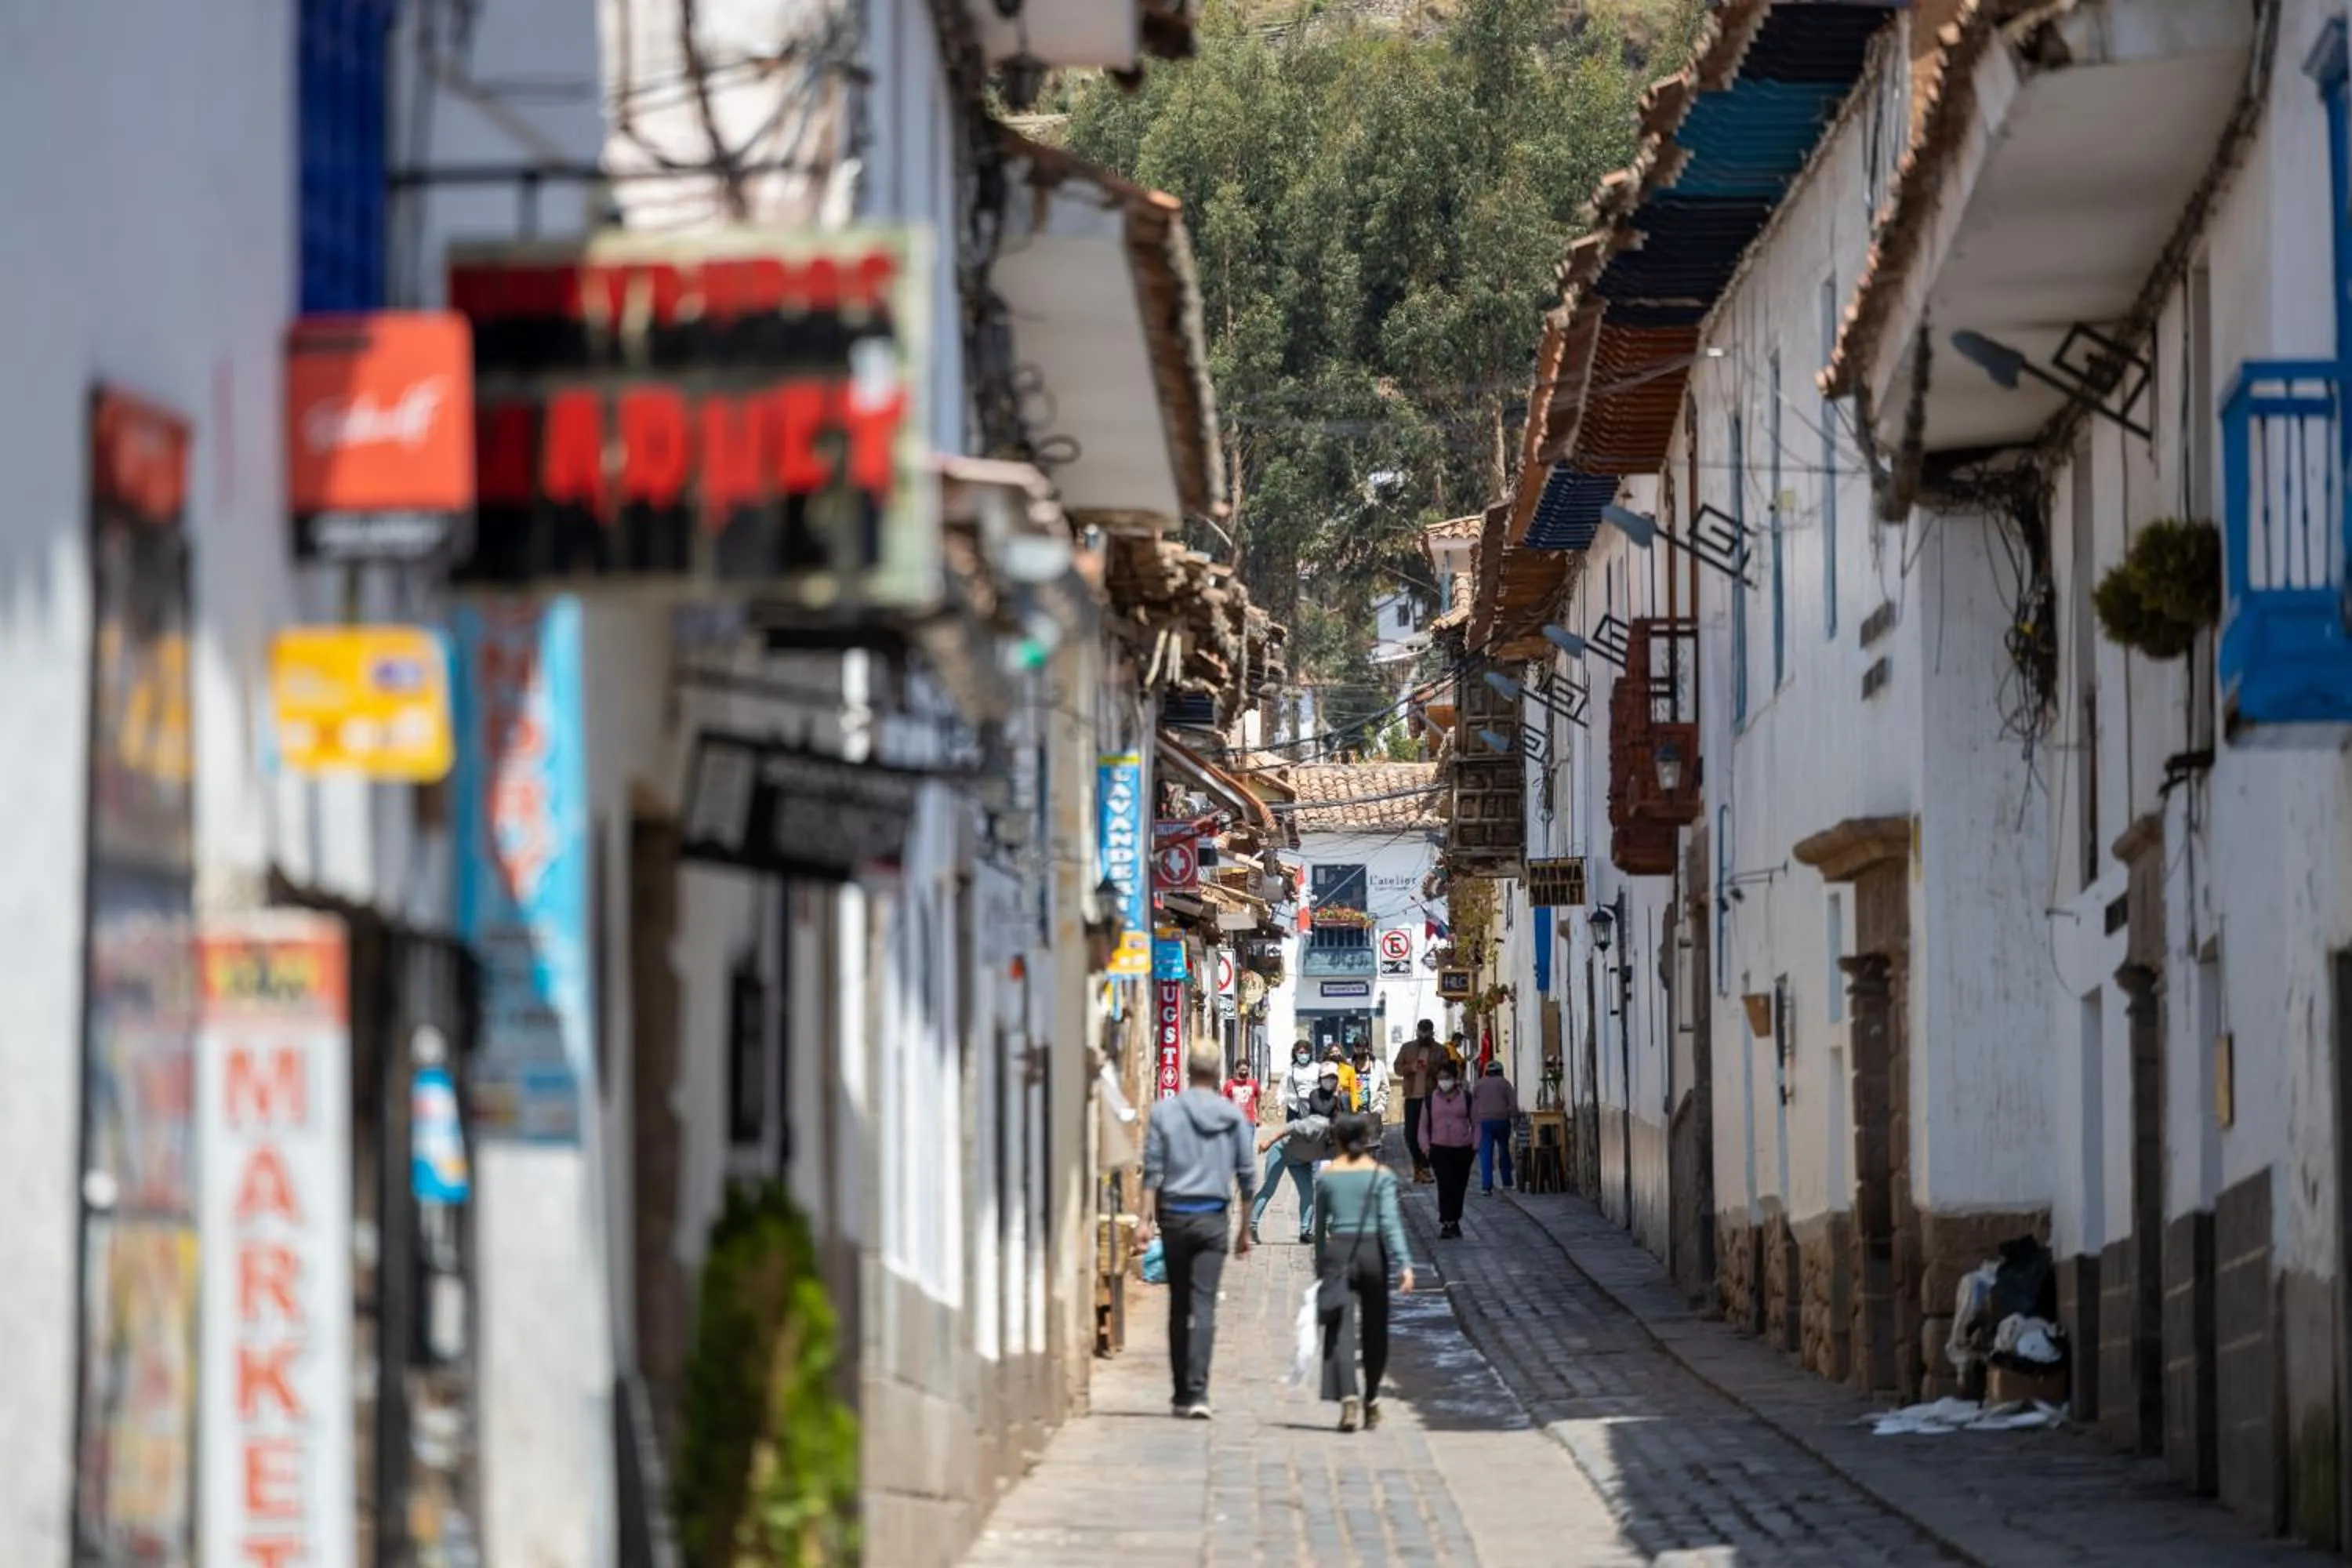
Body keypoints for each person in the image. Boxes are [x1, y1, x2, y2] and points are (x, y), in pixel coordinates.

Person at [1140, 1046, 1256, 1418]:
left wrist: (1144, 1220)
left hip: (1174, 1217)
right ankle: (1199, 1392)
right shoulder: (1231, 1116)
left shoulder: (1165, 1112)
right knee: (1204, 1304)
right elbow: (1247, 1176)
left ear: (1189, 1070)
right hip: (1212, 1219)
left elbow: (1152, 1169)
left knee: (1179, 1304)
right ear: (1218, 1071)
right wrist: (1245, 1229)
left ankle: (1180, 1393)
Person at [1312, 1112, 1414, 1432]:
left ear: (1338, 1142)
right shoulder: (1381, 1176)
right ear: (1368, 1141)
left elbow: (1319, 1228)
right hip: (1372, 1253)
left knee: (1340, 1330)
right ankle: (1371, 1398)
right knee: (1375, 1329)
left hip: (1338, 1253)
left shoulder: (1327, 1177)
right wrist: (1404, 1263)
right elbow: (1390, 1223)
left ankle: (1348, 1398)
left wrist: (1321, 1266)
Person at [1250, 1063, 1343, 1243]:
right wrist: (1268, 1142)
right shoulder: (1318, 1124)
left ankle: (1305, 1232)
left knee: (1308, 1193)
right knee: (1269, 1189)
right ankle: (1251, 1225)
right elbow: (1291, 1126)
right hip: (1282, 1152)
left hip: (1300, 1161)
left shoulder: (1332, 1144)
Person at [1423, 1062, 1477, 1238]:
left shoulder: (1466, 1098)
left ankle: (1455, 1220)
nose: (1443, 1082)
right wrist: (1426, 1149)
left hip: (1462, 1149)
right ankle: (1447, 1222)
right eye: (1440, 1078)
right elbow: (1423, 1127)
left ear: (1455, 1079)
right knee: (1445, 1185)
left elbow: (1476, 1123)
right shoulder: (1431, 1100)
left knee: (1458, 1187)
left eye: (1447, 1078)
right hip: (1439, 1149)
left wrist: (1475, 1145)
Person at [1392, 1020, 1444, 1183]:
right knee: (1410, 1135)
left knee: (1428, 1134)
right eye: (1421, 1032)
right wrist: (1411, 1067)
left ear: (1432, 1033)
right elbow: (1397, 1068)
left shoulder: (1440, 1050)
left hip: (1431, 1097)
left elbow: (1446, 1071)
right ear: (1417, 1032)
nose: (1424, 1036)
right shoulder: (1407, 1048)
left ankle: (1425, 1168)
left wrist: (1431, 1069)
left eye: (1427, 1033)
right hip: (1411, 1097)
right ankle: (1418, 1166)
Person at [1473, 1058, 1520, 1195]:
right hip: (1502, 1121)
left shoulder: (1479, 1084)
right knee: (1504, 1150)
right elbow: (1513, 1104)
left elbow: (1473, 1104)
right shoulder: (1505, 1083)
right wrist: (1515, 1116)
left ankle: (1486, 1186)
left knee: (1485, 1153)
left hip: (1484, 1122)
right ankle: (1507, 1181)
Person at [1351, 1040, 1392, 1127]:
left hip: (1373, 1113)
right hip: (1354, 1115)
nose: (1361, 1051)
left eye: (1363, 1048)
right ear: (1354, 1048)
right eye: (1358, 1048)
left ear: (1367, 1048)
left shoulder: (1378, 1065)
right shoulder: (1349, 1066)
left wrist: (1380, 1107)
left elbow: (1385, 1089)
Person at [1279, 1038, 1322, 1120]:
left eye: (1306, 1053)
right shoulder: (1291, 1070)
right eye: (1301, 1053)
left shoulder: (1317, 1068)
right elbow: (1282, 1088)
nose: (1304, 1055)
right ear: (1295, 1054)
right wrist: (1280, 1104)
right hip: (1295, 1107)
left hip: (1314, 1107)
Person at [1221, 1056, 1262, 1125]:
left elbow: (1259, 1102)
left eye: (1246, 1070)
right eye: (1242, 1070)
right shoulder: (1229, 1084)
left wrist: (1259, 1117)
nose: (1244, 1072)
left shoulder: (1254, 1083)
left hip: (1249, 1121)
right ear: (1237, 1070)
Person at [1326, 1044, 1360, 1112]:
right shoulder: (1325, 1069)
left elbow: (1354, 1091)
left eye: (1337, 1051)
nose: (1335, 1054)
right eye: (1332, 1052)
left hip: (1344, 1102)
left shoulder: (1349, 1069)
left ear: (1341, 1053)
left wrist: (1354, 1109)